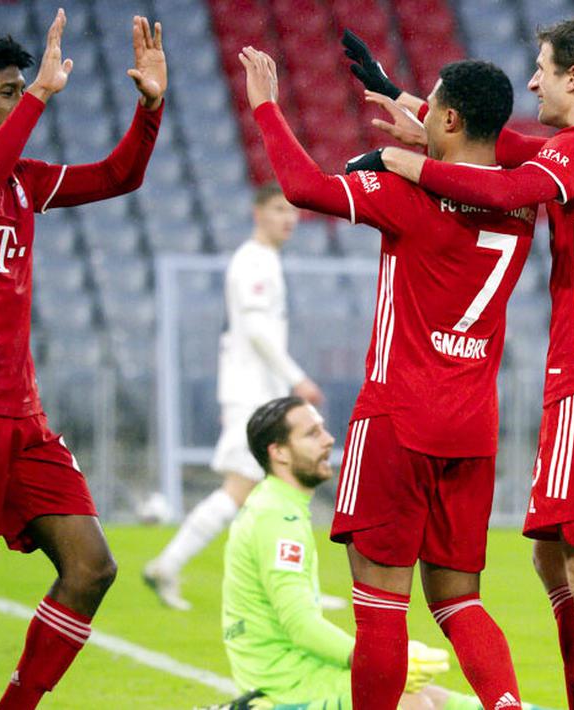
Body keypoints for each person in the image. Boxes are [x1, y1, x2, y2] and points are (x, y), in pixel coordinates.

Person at [375, 17, 574, 709]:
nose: (531, 81)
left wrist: (404, 162)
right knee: (551, 553)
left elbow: (505, 188)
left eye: (542, 68)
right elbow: (511, 147)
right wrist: (420, 108)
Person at [238, 46, 535, 710]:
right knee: (459, 603)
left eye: (431, 104)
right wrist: (407, 106)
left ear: (450, 120)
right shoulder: (524, 202)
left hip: (398, 419)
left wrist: (264, 103)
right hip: (472, 428)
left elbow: (302, 186)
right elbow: (486, 160)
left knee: (380, 608)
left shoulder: (404, 193)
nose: (420, 110)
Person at [0, 10, 164, 710]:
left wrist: (150, 109)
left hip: (22, 415)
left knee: (91, 568)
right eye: (8, 92)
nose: (22, 99)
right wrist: (43, 96)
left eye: (23, 90)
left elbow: (118, 176)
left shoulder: (21, 179)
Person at [218, 396, 467, 710]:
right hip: (286, 683)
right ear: (278, 452)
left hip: (302, 671)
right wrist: (375, 661)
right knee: (411, 703)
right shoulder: (277, 518)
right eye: (312, 434)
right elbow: (301, 625)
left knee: (445, 701)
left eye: (322, 429)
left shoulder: (276, 506)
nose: (329, 439)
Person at [145, 183, 324, 611]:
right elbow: (257, 331)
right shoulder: (253, 262)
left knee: (263, 492)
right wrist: (297, 379)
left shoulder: (264, 261)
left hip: (254, 392)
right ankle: (168, 566)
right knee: (254, 489)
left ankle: (286, 589)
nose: (289, 218)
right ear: (257, 212)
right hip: (253, 395)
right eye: (279, 209)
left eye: (293, 211)